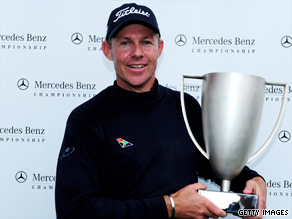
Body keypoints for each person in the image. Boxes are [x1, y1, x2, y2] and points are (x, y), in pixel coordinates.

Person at [55, 3, 267, 219]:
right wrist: (170, 206)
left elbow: (214, 162)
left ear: (160, 48)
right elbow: (73, 210)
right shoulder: (87, 119)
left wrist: (252, 179)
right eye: (125, 43)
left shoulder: (185, 106)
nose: (137, 53)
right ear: (108, 50)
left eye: (146, 42)